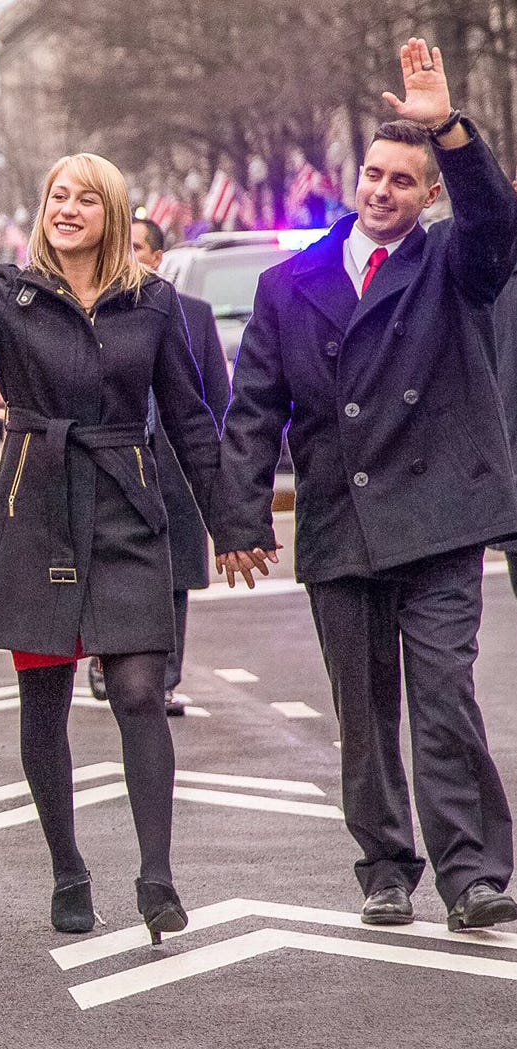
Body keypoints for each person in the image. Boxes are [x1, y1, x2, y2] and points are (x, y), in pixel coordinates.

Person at [214, 40, 517, 932]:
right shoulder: (287, 283)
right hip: (341, 519)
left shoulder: (455, 263)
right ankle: (385, 866)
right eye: (373, 174)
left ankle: (473, 872)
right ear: (358, 179)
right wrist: (239, 517)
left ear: (427, 195)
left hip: (439, 518)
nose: (382, 190)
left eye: (401, 179)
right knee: (364, 709)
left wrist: (450, 131)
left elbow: (497, 222)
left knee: (441, 696)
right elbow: (252, 409)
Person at [0, 125, 221, 944]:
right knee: (42, 705)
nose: (66, 208)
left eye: (84, 197)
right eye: (56, 197)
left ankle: (157, 876)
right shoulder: (9, 294)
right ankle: (67, 870)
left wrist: (235, 520)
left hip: (125, 506)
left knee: (140, 690)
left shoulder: (152, 301)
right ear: (42, 214)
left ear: (110, 214)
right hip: (34, 510)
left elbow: (188, 418)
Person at [87, 220, 229, 715]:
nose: (128, 256)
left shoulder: (193, 314)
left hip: (172, 469)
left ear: (158, 257)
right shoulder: (92, 314)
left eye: (138, 248)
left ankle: (165, 679)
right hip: (114, 470)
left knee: (176, 575)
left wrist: (223, 487)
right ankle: (106, 659)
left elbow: (213, 401)